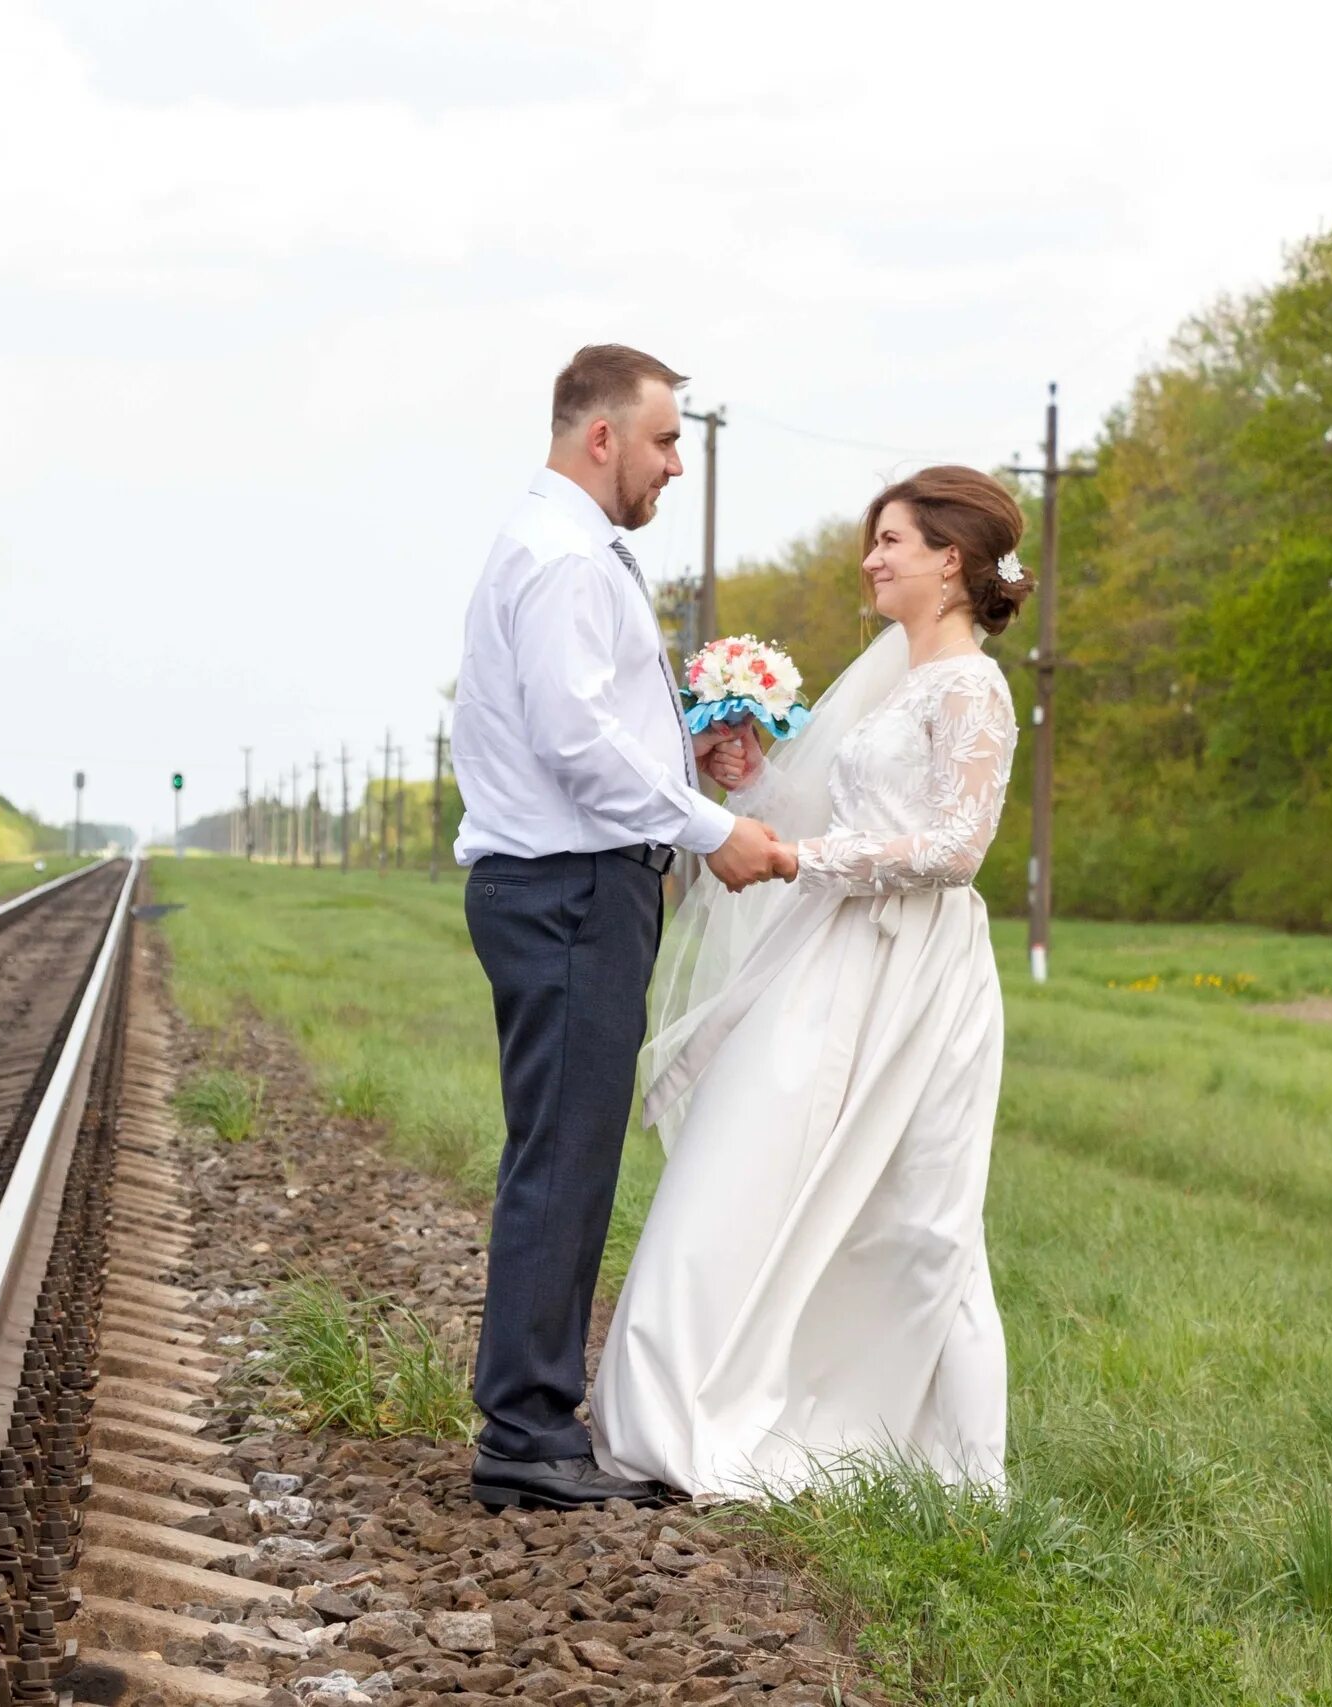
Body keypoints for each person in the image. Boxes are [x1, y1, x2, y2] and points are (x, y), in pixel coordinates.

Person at [591, 464, 1029, 1501]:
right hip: (832, 955)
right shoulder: (896, 676)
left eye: (891, 541)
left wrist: (800, 863)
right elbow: (836, 809)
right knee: (755, 1161)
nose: (871, 559)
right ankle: (692, 1398)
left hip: (915, 969)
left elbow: (956, 850)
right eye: (872, 540)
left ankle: (947, 1467)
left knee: (918, 1211)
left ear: (950, 560)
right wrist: (746, 795)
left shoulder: (971, 686)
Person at [450, 343, 787, 1512]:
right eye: (663, 440)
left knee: (566, 1152)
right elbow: (572, 744)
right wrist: (707, 828)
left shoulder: (568, 550)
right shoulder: (559, 559)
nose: (675, 465)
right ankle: (526, 1434)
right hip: (569, 891)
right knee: (563, 1157)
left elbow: (593, 733)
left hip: (570, 884)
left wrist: (678, 762)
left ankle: (533, 1416)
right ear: (601, 437)